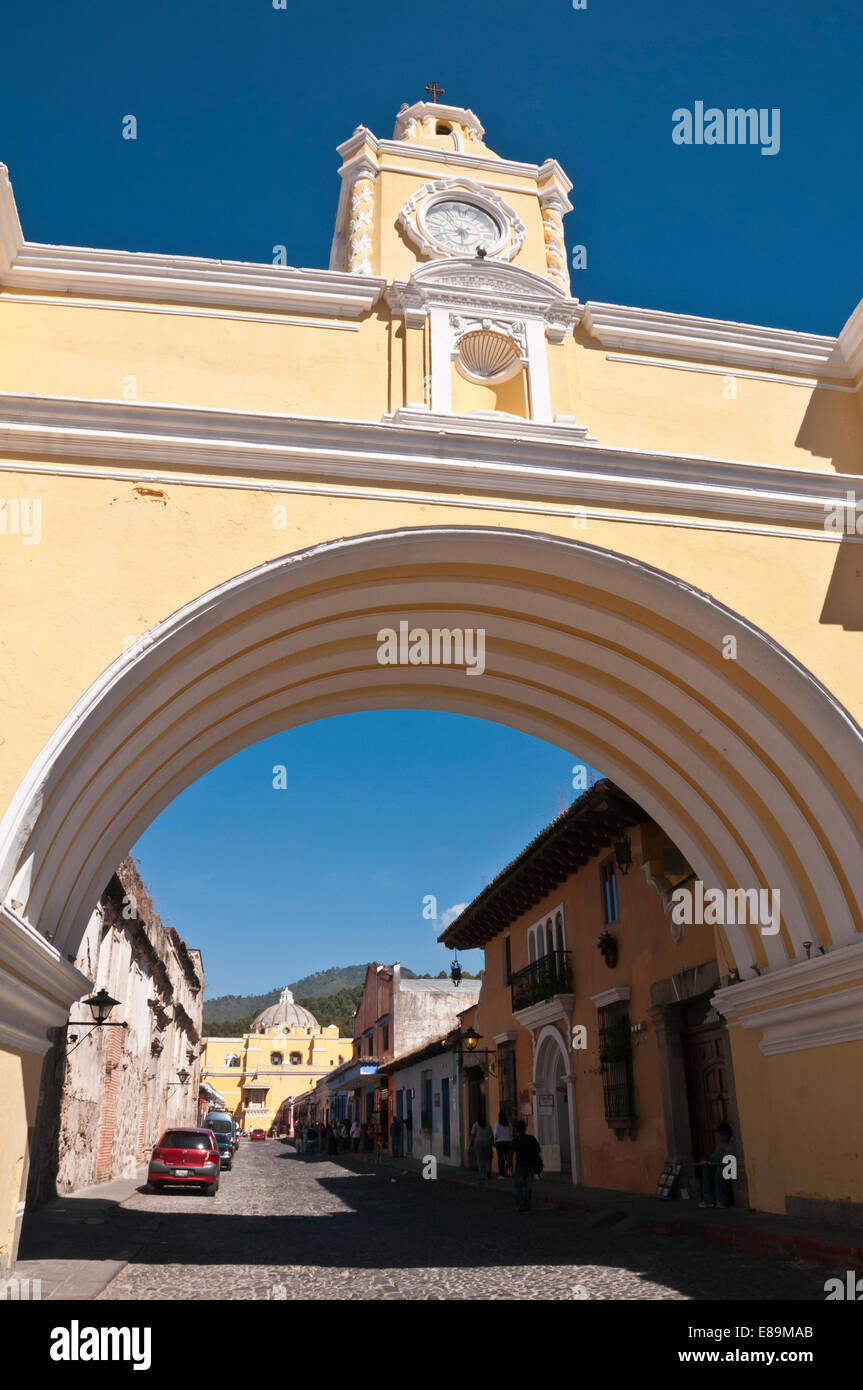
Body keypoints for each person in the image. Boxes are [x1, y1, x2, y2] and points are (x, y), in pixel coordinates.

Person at [698, 1122, 735, 1208]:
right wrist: (707, 1160)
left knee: (721, 1171)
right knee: (706, 1170)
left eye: (724, 1134)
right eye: (720, 1135)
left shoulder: (732, 1143)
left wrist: (715, 1164)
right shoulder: (721, 1144)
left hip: (729, 1168)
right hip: (719, 1166)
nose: (722, 1137)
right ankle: (709, 1200)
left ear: (729, 1133)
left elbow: (727, 1162)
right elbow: (715, 1157)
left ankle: (722, 1201)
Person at [511, 1120, 543, 1212]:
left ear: (517, 1130)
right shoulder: (531, 1138)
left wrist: (508, 1163)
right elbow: (538, 1149)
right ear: (525, 1129)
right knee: (528, 1187)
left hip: (520, 1166)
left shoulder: (516, 1140)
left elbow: (511, 1153)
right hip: (529, 1166)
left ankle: (520, 1205)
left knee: (519, 1187)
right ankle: (527, 1205)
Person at [469, 1112, 494, 1180]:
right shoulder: (487, 1124)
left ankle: (483, 1175)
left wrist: (470, 1144)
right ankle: (488, 1170)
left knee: (480, 1160)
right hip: (487, 1143)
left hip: (478, 1143)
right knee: (487, 1158)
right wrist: (492, 1142)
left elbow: (473, 1135)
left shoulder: (475, 1124)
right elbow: (491, 1134)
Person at [494, 1111, 513, 1177]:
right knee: (508, 1158)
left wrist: (495, 1141)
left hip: (499, 1143)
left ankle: (502, 1173)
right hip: (508, 1142)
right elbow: (511, 1134)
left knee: (500, 1159)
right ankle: (510, 1172)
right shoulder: (509, 1124)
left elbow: (495, 1135)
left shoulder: (497, 1124)